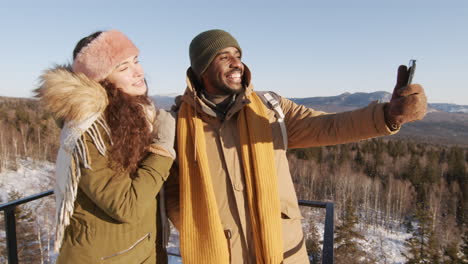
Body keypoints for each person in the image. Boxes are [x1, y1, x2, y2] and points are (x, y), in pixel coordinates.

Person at [165, 29, 427, 264]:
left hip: (285, 253)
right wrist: (199, 229)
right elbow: (173, 190)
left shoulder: (270, 109)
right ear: (201, 69)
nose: (237, 63)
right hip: (218, 256)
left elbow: (328, 125)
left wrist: (387, 116)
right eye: (223, 57)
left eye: (237, 55)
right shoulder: (177, 125)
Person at [35, 30, 175, 264]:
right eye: (123, 68)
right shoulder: (88, 129)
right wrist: (163, 148)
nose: (138, 71)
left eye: (136, 61)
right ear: (100, 80)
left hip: (138, 250)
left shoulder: (133, 114)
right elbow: (126, 206)